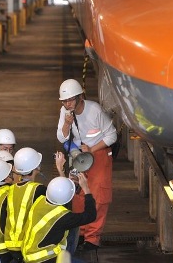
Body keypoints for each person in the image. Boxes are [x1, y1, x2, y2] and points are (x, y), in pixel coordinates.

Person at [56, 79, 117, 250]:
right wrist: (67, 124)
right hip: (79, 154)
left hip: (99, 153)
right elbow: (61, 137)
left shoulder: (94, 110)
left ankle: (92, 238)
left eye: (70, 100)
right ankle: (81, 233)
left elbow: (112, 135)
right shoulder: (64, 111)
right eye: (64, 101)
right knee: (78, 194)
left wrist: (92, 149)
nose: (67, 104)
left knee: (99, 195)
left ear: (80, 97)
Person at [21, 175, 96, 262]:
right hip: (43, 259)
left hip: (28, 254)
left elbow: (60, 196)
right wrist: (86, 189)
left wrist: (66, 181)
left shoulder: (40, 201)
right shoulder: (64, 217)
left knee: (73, 227)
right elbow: (90, 215)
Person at [5, 147, 47, 262]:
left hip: (10, 243)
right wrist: (61, 171)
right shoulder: (39, 189)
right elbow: (61, 205)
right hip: (28, 243)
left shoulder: (11, 189)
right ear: (36, 167)